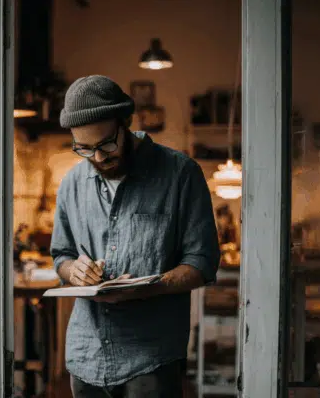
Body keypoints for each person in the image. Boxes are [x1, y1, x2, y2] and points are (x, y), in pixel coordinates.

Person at [50, 75, 221, 398]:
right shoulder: (72, 183)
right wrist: (73, 271)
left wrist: (147, 288)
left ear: (126, 122)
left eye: (106, 144)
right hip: (86, 356)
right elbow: (61, 254)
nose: (98, 158)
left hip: (151, 360)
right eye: (84, 149)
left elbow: (203, 262)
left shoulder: (181, 174)